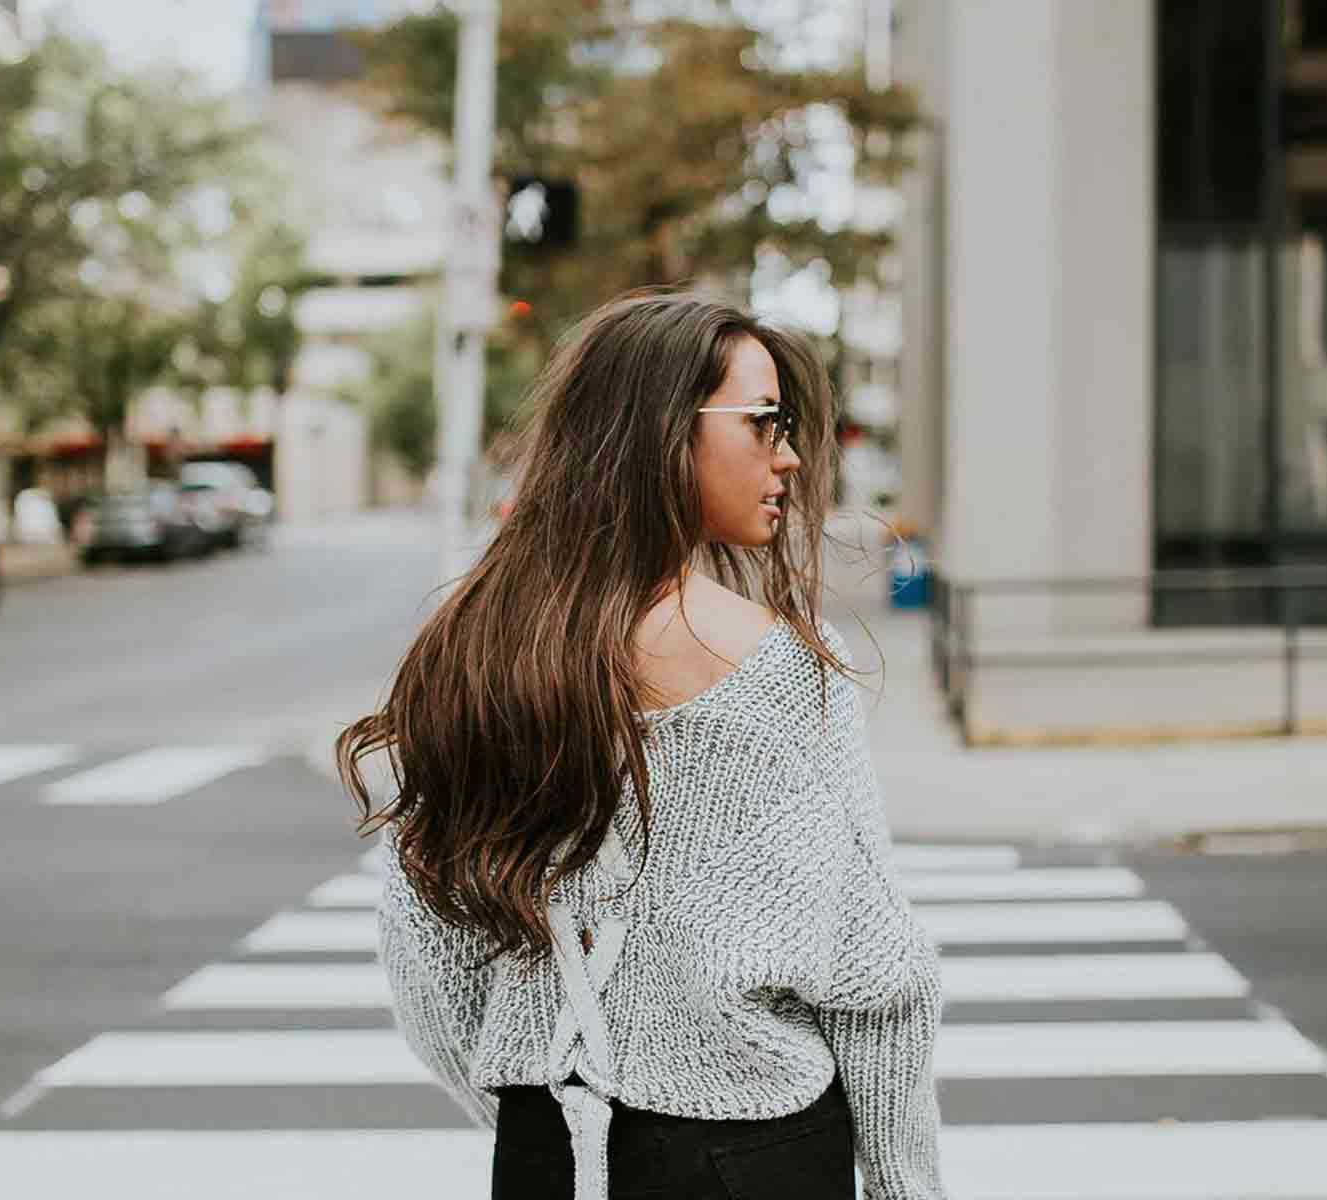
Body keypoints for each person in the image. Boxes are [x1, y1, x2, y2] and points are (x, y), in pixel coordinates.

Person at [335, 287, 946, 1199]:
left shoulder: (476, 649)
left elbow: (427, 960)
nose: (786, 459)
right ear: (667, 430)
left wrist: (546, 1120)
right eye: (764, 424)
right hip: (755, 1152)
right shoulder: (780, 670)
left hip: (546, 1146)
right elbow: (876, 976)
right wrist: (906, 1187)